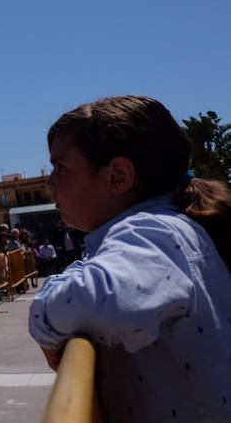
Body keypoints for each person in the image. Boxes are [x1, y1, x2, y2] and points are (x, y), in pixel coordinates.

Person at [29, 96, 231, 421]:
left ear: (118, 176)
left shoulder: (153, 231)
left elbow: (101, 299)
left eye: (61, 167)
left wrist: (42, 318)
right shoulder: (168, 225)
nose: (50, 182)